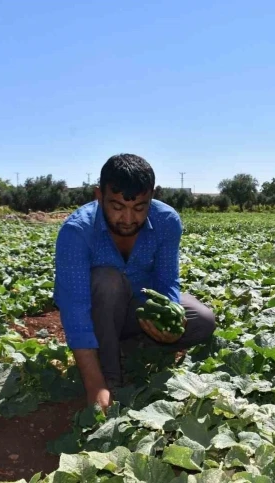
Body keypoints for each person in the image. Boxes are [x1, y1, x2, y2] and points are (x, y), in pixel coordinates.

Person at [53, 154, 216, 410]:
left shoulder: (167, 221)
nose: (128, 219)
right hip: (98, 313)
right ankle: (109, 376)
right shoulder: (76, 231)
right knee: (108, 280)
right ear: (99, 196)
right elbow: (74, 309)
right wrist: (95, 385)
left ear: (152, 196)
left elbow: (167, 280)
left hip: (139, 309)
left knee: (202, 321)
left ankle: (131, 345)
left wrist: (170, 315)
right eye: (117, 207)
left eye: (139, 208)